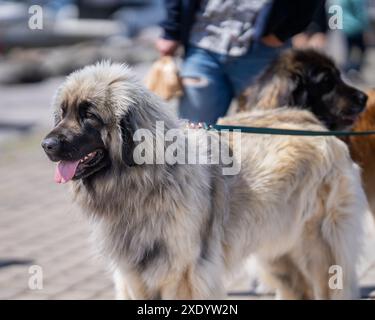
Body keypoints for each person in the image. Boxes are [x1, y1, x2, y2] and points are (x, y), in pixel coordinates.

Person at [156, 0, 325, 124]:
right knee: (194, 129)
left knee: (263, 132)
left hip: (263, 49)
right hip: (203, 43)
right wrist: (172, 30)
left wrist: (283, 32)